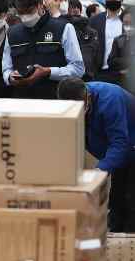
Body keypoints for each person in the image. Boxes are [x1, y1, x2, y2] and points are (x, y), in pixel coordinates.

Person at [57, 78, 135, 232]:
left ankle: (128, 240)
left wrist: (99, 171)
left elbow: (120, 143)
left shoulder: (110, 101)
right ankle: (115, 232)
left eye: (80, 108)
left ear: (87, 97)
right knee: (117, 199)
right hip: (115, 149)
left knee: (130, 198)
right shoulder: (68, 105)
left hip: (129, 142)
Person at [2, 0, 85, 99]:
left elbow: (78, 68)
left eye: (29, 11)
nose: (25, 16)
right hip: (21, 103)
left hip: (54, 101)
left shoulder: (63, 28)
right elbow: (6, 69)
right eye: (21, 12)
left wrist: (48, 72)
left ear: (40, 4)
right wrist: (10, 77)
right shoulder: (12, 33)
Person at [89, 0, 126, 83]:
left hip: (123, 74)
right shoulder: (94, 21)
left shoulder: (128, 21)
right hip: (100, 73)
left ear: (122, 0)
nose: (113, 0)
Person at [108, 9, 134, 90]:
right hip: (121, 83)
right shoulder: (118, 40)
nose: (129, 26)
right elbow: (111, 61)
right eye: (126, 23)